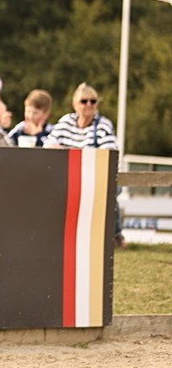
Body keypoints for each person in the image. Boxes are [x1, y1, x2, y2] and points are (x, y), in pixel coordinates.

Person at [45, 83, 123, 247]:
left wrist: (68, 151)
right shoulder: (66, 122)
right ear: (75, 104)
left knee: (108, 191)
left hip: (95, 176)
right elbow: (49, 145)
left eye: (93, 101)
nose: (89, 105)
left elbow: (109, 154)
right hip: (67, 175)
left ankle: (114, 235)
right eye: (84, 101)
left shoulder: (102, 125)